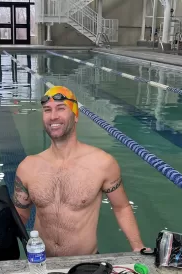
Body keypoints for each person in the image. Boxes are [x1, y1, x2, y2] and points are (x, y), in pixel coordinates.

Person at [12, 85, 147, 257]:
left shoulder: (102, 163)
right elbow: (19, 217)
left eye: (61, 109)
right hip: (41, 263)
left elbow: (121, 207)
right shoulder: (28, 167)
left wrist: (138, 246)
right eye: (47, 110)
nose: (53, 116)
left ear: (75, 115)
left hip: (86, 264)